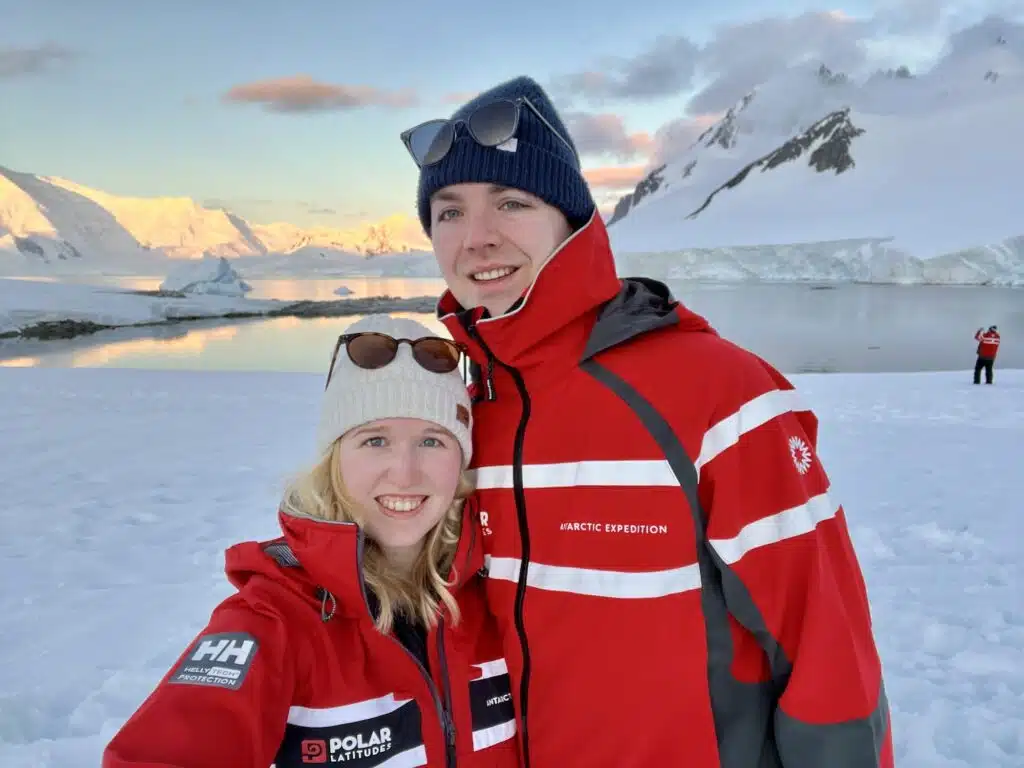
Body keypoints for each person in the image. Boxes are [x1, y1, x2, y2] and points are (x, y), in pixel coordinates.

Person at [399, 76, 894, 767]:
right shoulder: (460, 411)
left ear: (572, 222)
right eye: (448, 212)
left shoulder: (719, 393)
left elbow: (826, 645)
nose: (476, 238)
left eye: (511, 203)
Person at [102, 316, 519, 768]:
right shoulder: (275, 618)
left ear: (463, 461)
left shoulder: (508, 596)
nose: (404, 471)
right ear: (335, 460)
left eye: (433, 441)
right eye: (374, 439)